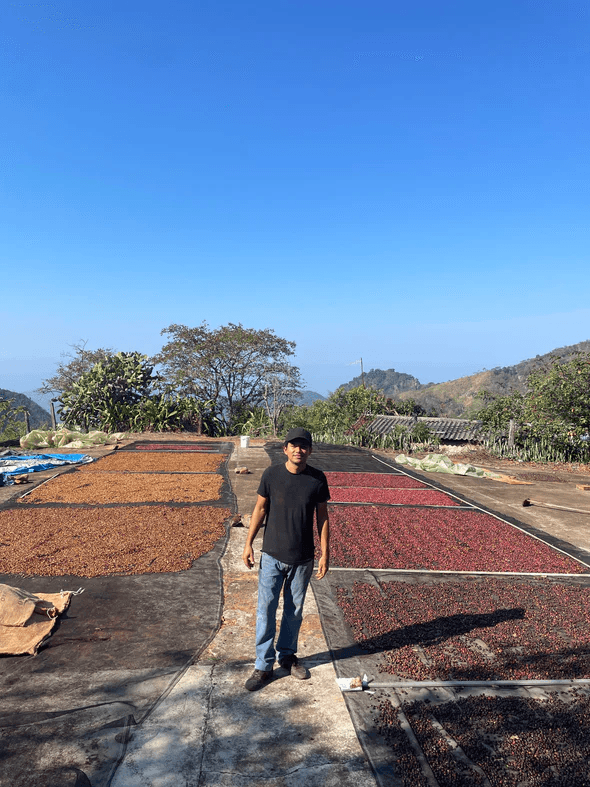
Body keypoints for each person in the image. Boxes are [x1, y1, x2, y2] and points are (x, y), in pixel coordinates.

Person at [242, 427, 330, 691]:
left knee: (294, 611)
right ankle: (263, 665)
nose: (298, 450)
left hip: (302, 559)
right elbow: (259, 509)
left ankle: (288, 657)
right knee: (266, 610)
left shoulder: (317, 479)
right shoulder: (272, 475)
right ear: (285, 449)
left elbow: (323, 518)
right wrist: (248, 544)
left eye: (303, 446)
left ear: (310, 450)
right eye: (293, 445)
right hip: (272, 555)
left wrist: (326, 553)